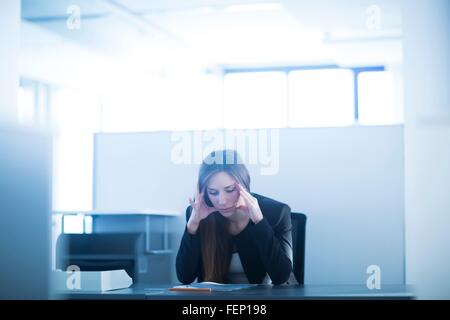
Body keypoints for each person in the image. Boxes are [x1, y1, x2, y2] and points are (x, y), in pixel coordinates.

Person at [176, 149, 293, 285]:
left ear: (244, 185)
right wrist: (193, 225)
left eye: (230, 190)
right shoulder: (198, 214)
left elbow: (281, 277)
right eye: (213, 192)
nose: (222, 201)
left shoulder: (276, 212)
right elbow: (184, 277)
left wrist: (259, 221)